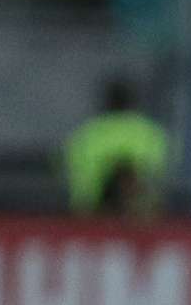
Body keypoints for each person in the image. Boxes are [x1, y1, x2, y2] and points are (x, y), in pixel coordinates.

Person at [64, 77, 169, 215]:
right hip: (139, 218)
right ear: (133, 102)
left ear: (106, 102)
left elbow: (79, 190)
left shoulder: (86, 136)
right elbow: (161, 182)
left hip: (91, 219)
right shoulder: (151, 135)